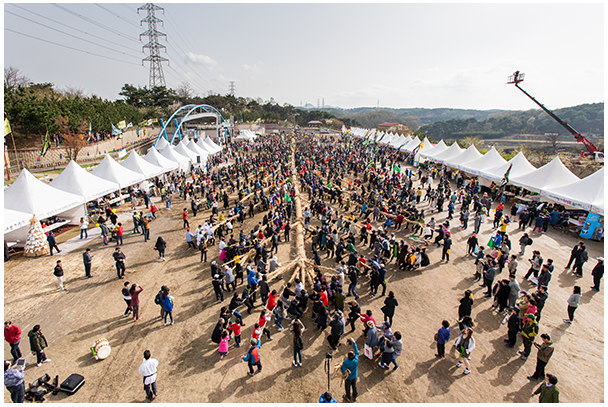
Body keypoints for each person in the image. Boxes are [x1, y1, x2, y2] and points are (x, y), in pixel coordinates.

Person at [341, 338, 359, 402]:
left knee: (347, 387)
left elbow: (343, 370)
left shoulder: (345, 362)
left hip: (348, 377)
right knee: (354, 386)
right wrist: (354, 342)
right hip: (354, 376)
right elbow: (357, 351)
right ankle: (355, 395)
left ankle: (348, 396)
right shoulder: (356, 359)